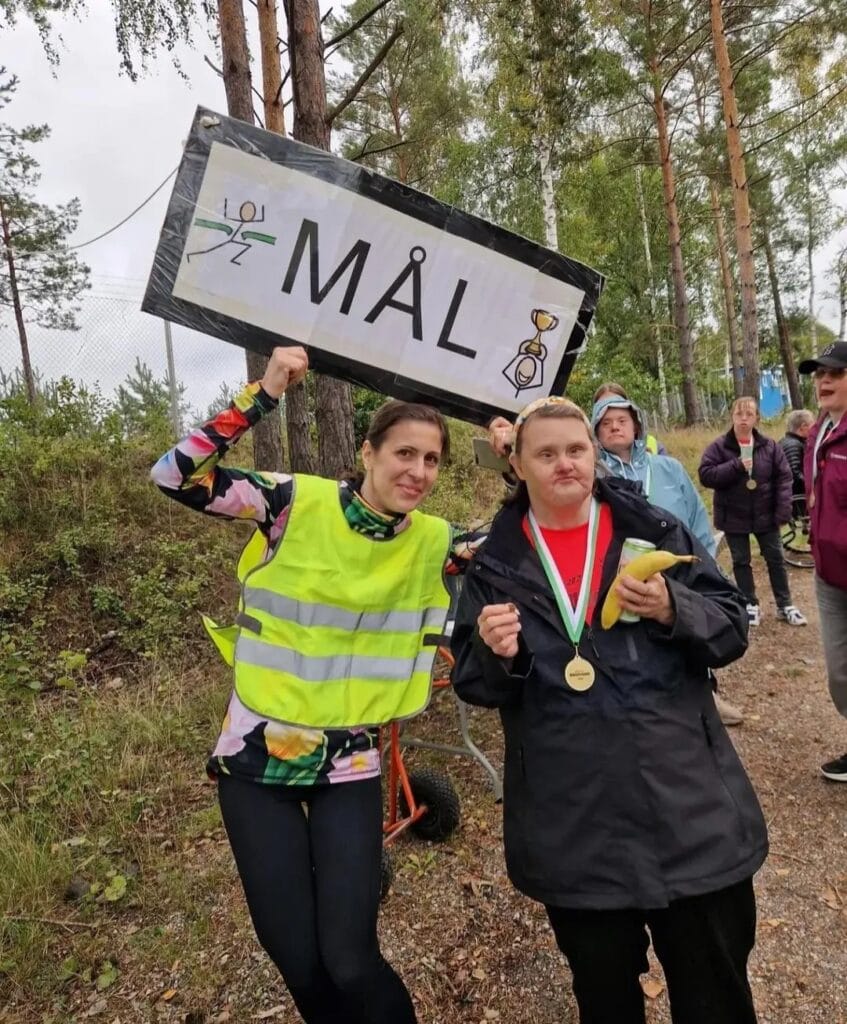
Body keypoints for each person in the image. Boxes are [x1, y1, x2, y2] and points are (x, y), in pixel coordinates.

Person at [151, 346, 481, 1024]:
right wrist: (262, 394)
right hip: (254, 756)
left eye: (431, 460)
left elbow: (535, 531)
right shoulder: (288, 502)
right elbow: (172, 475)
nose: (417, 471)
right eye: (404, 454)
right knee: (296, 959)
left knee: (351, 958)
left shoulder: (436, 541)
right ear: (367, 452)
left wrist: (510, 453)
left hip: (352, 760)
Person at [451, 396, 767, 1024]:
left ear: (595, 455)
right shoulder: (491, 562)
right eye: (546, 453)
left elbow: (731, 626)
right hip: (575, 827)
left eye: (576, 449)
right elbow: (472, 681)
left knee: (716, 995)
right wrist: (496, 655)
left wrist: (674, 607)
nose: (564, 463)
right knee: (605, 1002)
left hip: (688, 811)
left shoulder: (654, 531)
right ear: (516, 463)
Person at [698, 397, 806, 627]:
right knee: (741, 561)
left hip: (766, 514)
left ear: (757, 417)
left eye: (749, 414)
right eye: (739, 414)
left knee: (776, 559)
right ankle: (750, 604)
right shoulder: (719, 447)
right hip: (733, 515)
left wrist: (783, 511)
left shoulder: (770, 446)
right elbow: (705, 475)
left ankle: (785, 604)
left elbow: (784, 478)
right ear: (732, 417)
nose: (744, 419)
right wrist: (735, 465)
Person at [798, 342, 847, 781]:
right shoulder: (818, 432)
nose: (824, 381)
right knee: (840, 673)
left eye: (835, 373)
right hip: (829, 575)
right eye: (819, 375)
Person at [592, 382, 667, 454]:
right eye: (601, 406)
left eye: (616, 403)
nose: (614, 426)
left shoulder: (655, 447)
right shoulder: (590, 458)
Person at [779, 408, 815, 508]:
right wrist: (813, 487)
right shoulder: (793, 445)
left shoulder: (789, 442)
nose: (815, 429)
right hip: (796, 500)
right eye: (813, 425)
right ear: (803, 427)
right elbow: (794, 474)